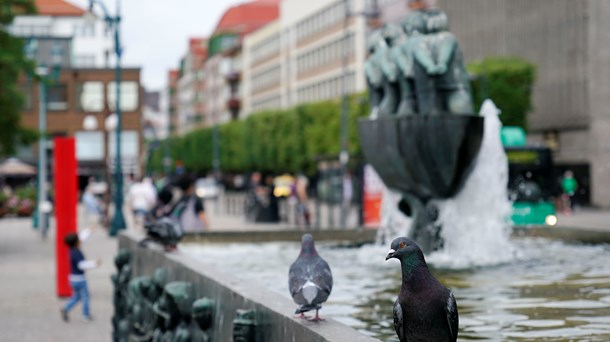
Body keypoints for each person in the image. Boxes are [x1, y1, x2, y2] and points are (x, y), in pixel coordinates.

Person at [60, 230, 100, 322]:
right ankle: (86, 315)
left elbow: (82, 238)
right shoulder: (77, 253)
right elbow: (81, 265)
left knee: (77, 296)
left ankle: (66, 308)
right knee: (85, 296)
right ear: (77, 242)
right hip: (80, 279)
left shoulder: (71, 251)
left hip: (72, 278)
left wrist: (89, 231)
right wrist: (94, 264)